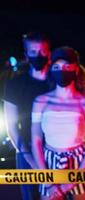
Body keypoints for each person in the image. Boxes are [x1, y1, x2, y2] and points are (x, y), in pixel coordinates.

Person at [31, 46, 85, 200]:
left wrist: (72, 181)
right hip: (49, 163)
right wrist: (47, 180)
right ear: (51, 70)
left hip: (81, 163)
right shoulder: (40, 102)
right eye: (57, 67)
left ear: (76, 69)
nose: (61, 70)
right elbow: (36, 140)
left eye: (67, 66)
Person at [3, 32, 51, 200]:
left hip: (58, 151)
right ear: (26, 55)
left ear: (49, 53)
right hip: (26, 151)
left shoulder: (58, 83)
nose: (38, 55)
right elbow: (12, 127)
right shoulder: (15, 85)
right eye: (33, 52)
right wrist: (31, 160)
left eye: (42, 51)